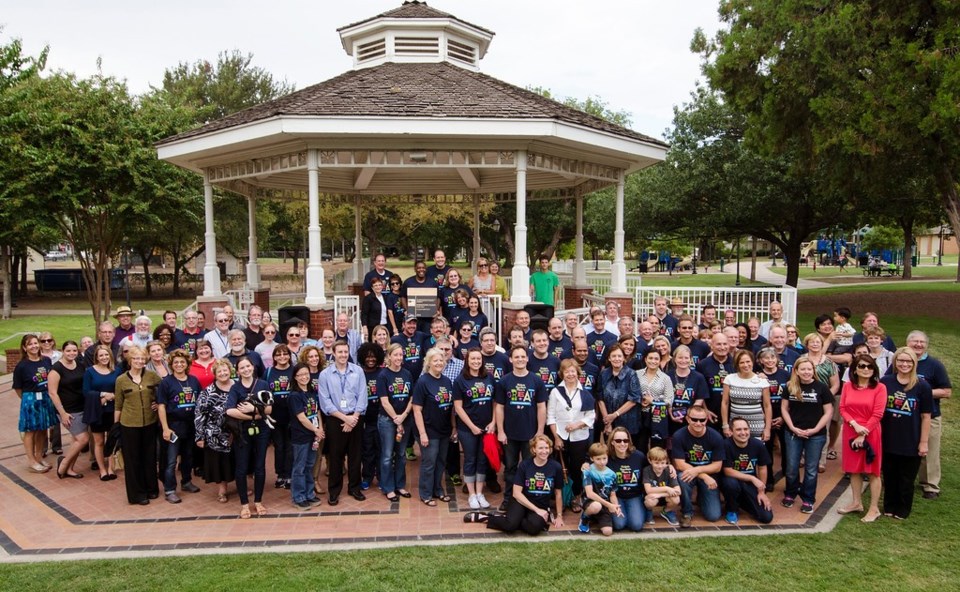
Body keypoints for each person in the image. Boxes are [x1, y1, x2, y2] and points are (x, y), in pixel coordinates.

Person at [465, 435, 564, 535]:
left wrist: (559, 516)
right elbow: (516, 493)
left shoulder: (555, 467)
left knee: (534, 528)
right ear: (534, 449)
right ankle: (485, 517)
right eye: (540, 448)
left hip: (540, 504)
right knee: (510, 526)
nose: (544, 451)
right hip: (521, 501)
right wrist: (536, 510)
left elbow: (558, 493)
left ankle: (508, 518)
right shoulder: (525, 465)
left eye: (547, 448)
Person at [879, 348, 932, 519]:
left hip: (911, 439)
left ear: (914, 363)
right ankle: (889, 506)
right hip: (888, 437)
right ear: (895, 362)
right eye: (901, 360)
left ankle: (902, 509)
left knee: (906, 479)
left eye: (908, 361)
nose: (904, 364)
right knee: (889, 475)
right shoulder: (886, 382)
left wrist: (923, 442)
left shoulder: (922, 386)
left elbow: (926, 416)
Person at [494, 345, 548, 510]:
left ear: (527, 358)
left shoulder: (536, 380)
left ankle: (527, 501)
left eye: (522, 356)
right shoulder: (504, 381)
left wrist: (539, 431)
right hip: (509, 434)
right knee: (510, 468)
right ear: (510, 360)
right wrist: (501, 431)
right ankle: (508, 498)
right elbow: (499, 407)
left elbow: (541, 407)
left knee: (528, 468)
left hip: (530, 434)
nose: (520, 359)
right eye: (516, 357)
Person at [781, 356, 834, 514]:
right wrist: (792, 427)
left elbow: (828, 411)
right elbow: (784, 408)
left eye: (809, 369)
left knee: (811, 469)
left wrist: (816, 429)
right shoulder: (790, 387)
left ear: (813, 371)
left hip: (816, 435)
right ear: (796, 371)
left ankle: (808, 498)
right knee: (791, 467)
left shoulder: (821, 388)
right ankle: (790, 493)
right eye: (802, 369)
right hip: (793, 433)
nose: (806, 372)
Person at [837, 354, 887, 523]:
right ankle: (856, 502)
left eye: (869, 366)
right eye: (862, 366)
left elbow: (878, 414)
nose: (866, 369)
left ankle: (874, 509)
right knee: (854, 469)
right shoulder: (848, 386)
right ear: (855, 369)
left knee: (872, 471)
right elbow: (843, 408)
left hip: (870, 432)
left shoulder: (880, 388)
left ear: (874, 370)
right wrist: (854, 425)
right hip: (851, 431)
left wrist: (862, 433)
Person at [317, 340, 367, 505]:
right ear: (333, 353)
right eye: (340, 352)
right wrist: (345, 418)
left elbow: (362, 396)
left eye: (346, 352)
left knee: (355, 456)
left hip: (356, 417)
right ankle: (334, 491)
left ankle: (354, 488)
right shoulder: (325, 374)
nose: (343, 355)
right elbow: (325, 402)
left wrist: (354, 417)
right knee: (335, 457)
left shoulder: (358, 371)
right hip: (335, 419)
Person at [905, 330, 952, 500]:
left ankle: (930, 485)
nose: (918, 345)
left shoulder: (934, 365)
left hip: (930, 415)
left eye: (922, 342)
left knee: (929, 450)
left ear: (926, 345)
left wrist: (922, 392)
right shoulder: (900, 361)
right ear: (907, 343)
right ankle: (904, 480)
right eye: (914, 341)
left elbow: (946, 392)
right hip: (905, 415)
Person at [114, 346, 162, 505]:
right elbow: (118, 404)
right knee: (133, 460)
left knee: (149, 456)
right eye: (136, 358)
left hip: (149, 422)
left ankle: (151, 488)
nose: (139, 361)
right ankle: (137, 493)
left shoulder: (152, 376)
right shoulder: (121, 380)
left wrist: (158, 403)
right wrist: (116, 425)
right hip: (129, 424)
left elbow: (163, 391)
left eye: (142, 359)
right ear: (130, 360)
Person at [225, 357, 272, 518]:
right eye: (242, 368)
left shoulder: (262, 384)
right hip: (242, 432)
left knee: (259, 466)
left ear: (253, 367)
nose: (246, 369)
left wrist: (253, 409)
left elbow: (269, 409)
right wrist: (254, 416)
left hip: (262, 431)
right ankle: (244, 504)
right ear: (237, 371)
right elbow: (230, 411)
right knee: (242, 467)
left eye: (248, 366)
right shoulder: (235, 388)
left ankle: (258, 501)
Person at [547, 358, 596, 512]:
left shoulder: (585, 393)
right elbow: (551, 416)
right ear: (562, 374)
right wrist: (556, 437)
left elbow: (591, 416)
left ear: (577, 373)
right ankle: (560, 497)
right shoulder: (555, 392)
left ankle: (576, 497)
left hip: (579, 437)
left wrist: (577, 424)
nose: (570, 374)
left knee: (576, 468)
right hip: (560, 436)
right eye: (567, 371)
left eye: (573, 371)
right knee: (560, 467)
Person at [156, 350, 203, 503]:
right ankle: (170, 489)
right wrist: (165, 428)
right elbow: (161, 406)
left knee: (188, 457)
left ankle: (186, 482)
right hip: (173, 426)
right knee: (171, 460)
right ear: (171, 365)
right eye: (176, 362)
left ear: (187, 364)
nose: (179, 365)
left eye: (182, 362)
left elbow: (200, 402)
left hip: (190, 426)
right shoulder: (166, 382)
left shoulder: (194, 380)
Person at [412, 347, 455, 506]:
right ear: (428, 363)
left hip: (444, 429)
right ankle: (425, 493)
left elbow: (451, 407)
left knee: (441, 462)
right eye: (435, 360)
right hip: (428, 430)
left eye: (441, 360)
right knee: (429, 463)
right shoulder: (422, 382)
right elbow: (416, 410)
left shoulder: (446, 380)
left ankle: (438, 489)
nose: (439, 363)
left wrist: (454, 427)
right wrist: (422, 434)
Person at [454, 348, 496, 510]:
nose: (476, 362)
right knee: (470, 460)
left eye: (479, 359)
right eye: (473, 359)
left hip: (487, 428)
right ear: (467, 360)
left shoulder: (489, 378)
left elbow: (494, 402)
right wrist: (471, 426)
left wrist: (493, 422)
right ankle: (471, 494)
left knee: (482, 460)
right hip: (467, 429)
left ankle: (480, 493)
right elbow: (458, 407)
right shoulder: (460, 380)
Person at [672, 405, 725, 526]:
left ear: (706, 419)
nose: (698, 423)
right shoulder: (679, 436)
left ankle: (702, 499)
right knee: (682, 478)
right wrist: (703, 475)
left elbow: (717, 466)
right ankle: (687, 513)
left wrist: (698, 471)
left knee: (713, 516)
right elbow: (680, 464)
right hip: (690, 473)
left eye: (702, 420)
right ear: (688, 419)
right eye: (694, 419)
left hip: (709, 474)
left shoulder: (716, 437)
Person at [194, 359, 235, 504]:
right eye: (219, 371)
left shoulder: (238, 386)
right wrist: (200, 436)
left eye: (225, 370)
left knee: (237, 460)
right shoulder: (208, 391)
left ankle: (240, 485)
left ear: (230, 371)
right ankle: (222, 490)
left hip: (237, 433)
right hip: (215, 433)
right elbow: (199, 414)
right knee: (220, 462)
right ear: (215, 374)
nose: (223, 373)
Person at [377, 343, 415, 501]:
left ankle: (400, 485)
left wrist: (404, 416)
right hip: (387, 420)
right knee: (387, 455)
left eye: (401, 355)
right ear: (389, 357)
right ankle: (388, 487)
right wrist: (396, 419)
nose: (399, 358)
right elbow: (384, 402)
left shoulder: (407, 374)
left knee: (401, 454)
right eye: (396, 355)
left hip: (404, 420)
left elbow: (412, 397)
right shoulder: (383, 375)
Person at [14, 334, 56, 473]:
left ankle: (39, 456)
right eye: (30, 344)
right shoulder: (21, 366)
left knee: (43, 429)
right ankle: (31, 460)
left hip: (45, 398)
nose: (34, 346)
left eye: (35, 343)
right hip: (30, 400)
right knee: (30, 431)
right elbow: (18, 388)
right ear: (25, 348)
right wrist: (28, 400)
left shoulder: (46, 361)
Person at [721, 417, 774, 524]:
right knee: (731, 484)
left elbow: (763, 468)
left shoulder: (758, 445)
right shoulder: (726, 445)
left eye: (746, 429)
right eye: (739, 429)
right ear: (731, 431)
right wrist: (752, 478)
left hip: (749, 484)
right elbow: (727, 471)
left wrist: (761, 492)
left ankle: (740, 502)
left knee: (766, 517)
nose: (743, 433)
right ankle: (732, 509)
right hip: (731, 480)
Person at [288, 363, 325, 510]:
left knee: (310, 465)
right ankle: (299, 497)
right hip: (301, 436)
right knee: (300, 467)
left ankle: (309, 494)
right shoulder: (294, 396)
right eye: (300, 375)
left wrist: (320, 428)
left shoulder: (311, 391)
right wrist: (316, 430)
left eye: (306, 374)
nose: (304, 377)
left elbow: (317, 412)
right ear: (295, 377)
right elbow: (302, 417)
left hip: (313, 435)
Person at [48, 341, 87, 479]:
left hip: (82, 406)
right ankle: (63, 463)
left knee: (75, 440)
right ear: (63, 351)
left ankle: (70, 468)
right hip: (68, 410)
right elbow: (52, 393)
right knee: (83, 439)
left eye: (74, 351)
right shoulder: (56, 369)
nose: (72, 353)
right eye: (68, 351)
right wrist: (63, 413)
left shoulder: (80, 365)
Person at [802, 331, 840, 471]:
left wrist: (824, 397)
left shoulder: (829, 363)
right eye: (812, 342)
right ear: (807, 344)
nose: (815, 344)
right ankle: (803, 457)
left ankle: (821, 460)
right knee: (804, 427)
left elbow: (835, 384)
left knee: (823, 429)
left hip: (824, 402)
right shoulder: (801, 360)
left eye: (818, 342)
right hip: (804, 400)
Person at [82, 344, 120, 480]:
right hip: (97, 410)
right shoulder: (90, 372)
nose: (104, 358)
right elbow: (86, 391)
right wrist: (104, 395)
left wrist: (112, 396)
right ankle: (102, 469)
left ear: (110, 356)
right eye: (101, 355)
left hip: (113, 410)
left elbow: (121, 390)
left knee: (111, 440)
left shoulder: (117, 371)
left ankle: (111, 468)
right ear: (96, 358)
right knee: (98, 441)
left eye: (106, 355)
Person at [597, 344, 642, 449]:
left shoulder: (631, 374)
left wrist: (615, 415)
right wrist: (607, 421)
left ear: (624, 358)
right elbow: (600, 398)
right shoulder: (603, 374)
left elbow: (634, 399)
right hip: (608, 422)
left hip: (627, 422)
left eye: (619, 356)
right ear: (609, 358)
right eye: (613, 356)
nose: (616, 359)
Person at [757, 346, 790, 491]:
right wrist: (767, 419)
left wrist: (783, 417)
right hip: (765, 416)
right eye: (766, 358)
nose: (770, 361)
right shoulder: (757, 377)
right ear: (760, 361)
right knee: (767, 448)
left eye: (772, 357)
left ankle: (788, 477)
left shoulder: (785, 375)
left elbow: (791, 396)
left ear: (777, 359)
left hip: (784, 415)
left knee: (787, 449)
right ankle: (769, 479)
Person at [721, 349, 772, 441]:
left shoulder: (762, 381)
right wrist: (725, 425)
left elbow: (767, 406)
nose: (745, 365)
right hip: (736, 425)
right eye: (742, 362)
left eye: (748, 361)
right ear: (737, 364)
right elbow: (725, 403)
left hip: (756, 424)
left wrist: (767, 428)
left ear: (752, 362)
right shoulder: (729, 379)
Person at [264, 345, 295, 489]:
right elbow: (264, 392)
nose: (282, 357)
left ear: (289, 355)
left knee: (289, 446)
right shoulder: (269, 372)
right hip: (275, 417)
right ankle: (280, 474)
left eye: (285, 354)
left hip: (292, 415)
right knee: (279, 446)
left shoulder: (294, 371)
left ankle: (289, 475)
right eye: (278, 354)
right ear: (274, 357)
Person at [606, 427, 647, 531]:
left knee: (636, 525)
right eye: (618, 441)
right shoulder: (607, 458)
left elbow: (652, 467)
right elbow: (594, 460)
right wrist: (586, 464)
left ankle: (639, 511)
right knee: (619, 525)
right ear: (612, 442)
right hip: (616, 496)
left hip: (634, 496)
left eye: (626, 440)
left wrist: (670, 467)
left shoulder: (639, 456)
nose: (622, 443)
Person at [578, 442, 621, 536]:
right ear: (591, 458)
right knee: (596, 506)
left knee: (608, 532)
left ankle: (595, 518)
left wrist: (616, 506)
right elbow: (589, 494)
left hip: (605, 504)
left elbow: (613, 494)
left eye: (604, 458)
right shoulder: (587, 471)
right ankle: (585, 517)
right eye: (598, 459)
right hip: (590, 501)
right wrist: (609, 505)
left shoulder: (612, 474)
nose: (602, 462)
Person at [358, 342, 385, 491]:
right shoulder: (359, 374)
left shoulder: (383, 373)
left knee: (381, 450)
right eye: (367, 357)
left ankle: (381, 477)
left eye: (374, 357)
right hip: (366, 420)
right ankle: (367, 477)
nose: (371, 359)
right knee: (367, 450)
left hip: (381, 417)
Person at [636, 348, 674, 453]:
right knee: (640, 445)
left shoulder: (665, 378)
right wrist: (641, 399)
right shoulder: (636, 374)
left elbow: (669, 400)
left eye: (656, 359)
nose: (653, 361)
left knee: (657, 448)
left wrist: (653, 401)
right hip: (639, 414)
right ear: (645, 359)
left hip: (658, 417)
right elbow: (631, 392)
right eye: (650, 358)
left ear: (660, 360)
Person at [667, 344, 709, 435]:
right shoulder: (667, 376)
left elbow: (700, 399)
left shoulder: (699, 377)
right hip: (669, 418)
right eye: (680, 358)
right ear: (674, 359)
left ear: (691, 359)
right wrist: (671, 412)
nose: (683, 361)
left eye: (686, 358)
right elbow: (664, 397)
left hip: (690, 420)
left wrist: (689, 415)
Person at [697, 332, 734, 429]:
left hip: (732, 414)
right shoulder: (703, 365)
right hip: (710, 414)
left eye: (725, 344)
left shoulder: (736, 363)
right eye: (718, 344)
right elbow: (700, 391)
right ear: (712, 346)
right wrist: (705, 410)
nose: (722, 347)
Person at [642, 446, 681, 527]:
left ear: (666, 462)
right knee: (650, 500)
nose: (660, 466)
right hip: (653, 497)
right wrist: (667, 488)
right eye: (656, 463)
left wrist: (660, 494)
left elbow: (678, 491)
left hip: (664, 496)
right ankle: (648, 511)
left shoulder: (669, 471)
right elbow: (648, 490)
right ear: (650, 461)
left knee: (676, 499)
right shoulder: (647, 470)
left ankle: (667, 511)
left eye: (663, 463)